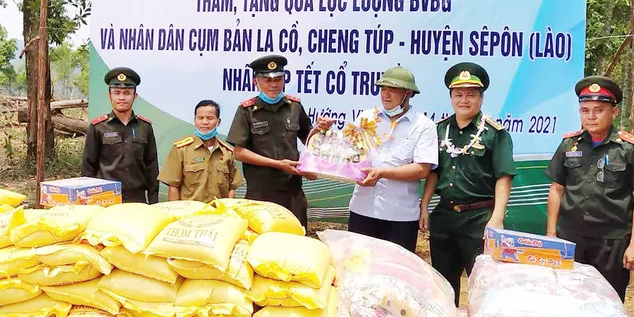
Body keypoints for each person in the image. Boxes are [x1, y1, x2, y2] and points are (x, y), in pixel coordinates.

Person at [546, 76, 634, 301]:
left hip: (612, 243)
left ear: (613, 112)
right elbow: (556, 189)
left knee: (609, 302)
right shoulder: (569, 145)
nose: (591, 116)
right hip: (571, 239)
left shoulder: (630, 148)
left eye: (598, 110)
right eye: (585, 110)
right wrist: (551, 235)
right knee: (567, 299)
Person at [420, 62, 515, 305]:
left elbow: (503, 177)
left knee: (481, 284)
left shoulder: (495, 133)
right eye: (458, 94)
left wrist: (497, 218)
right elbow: (433, 172)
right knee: (443, 284)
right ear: (451, 98)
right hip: (444, 216)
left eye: (471, 95)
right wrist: (424, 206)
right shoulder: (440, 130)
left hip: (479, 219)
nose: (464, 100)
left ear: (481, 98)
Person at [226, 54, 332, 228]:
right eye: (267, 80)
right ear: (256, 82)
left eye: (278, 79)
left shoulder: (294, 107)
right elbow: (239, 153)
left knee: (296, 237)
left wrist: (321, 129)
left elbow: (309, 139)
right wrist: (277, 164)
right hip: (260, 193)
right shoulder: (247, 110)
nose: (274, 84)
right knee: (261, 239)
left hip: (292, 192)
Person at [347, 66, 438, 252]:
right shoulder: (366, 117)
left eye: (393, 90)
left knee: (396, 267)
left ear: (408, 93)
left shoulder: (423, 125)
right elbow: (350, 152)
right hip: (362, 208)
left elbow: (422, 169)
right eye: (383, 89)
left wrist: (382, 173)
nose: (385, 95)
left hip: (400, 216)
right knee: (358, 263)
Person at [81, 67, 159, 204]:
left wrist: (153, 203)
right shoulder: (98, 127)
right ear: (109, 95)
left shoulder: (145, 127)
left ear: (135, 96)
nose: (122, 97)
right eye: (117, 92)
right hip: (105, 198)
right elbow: (88, 168)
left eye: (127, 93)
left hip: (137, 199)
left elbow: (151, 167)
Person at [158, 100, 243, 203]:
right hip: (190, 211)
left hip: (218, 211)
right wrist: (176, 210)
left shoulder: (227, 152)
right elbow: (173, 186)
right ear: (195, 120)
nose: (205, 122)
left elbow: (232, 188)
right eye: (200, 118)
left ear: (218, 121)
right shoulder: (181, 150)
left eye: (210, 118)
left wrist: (227, 208)